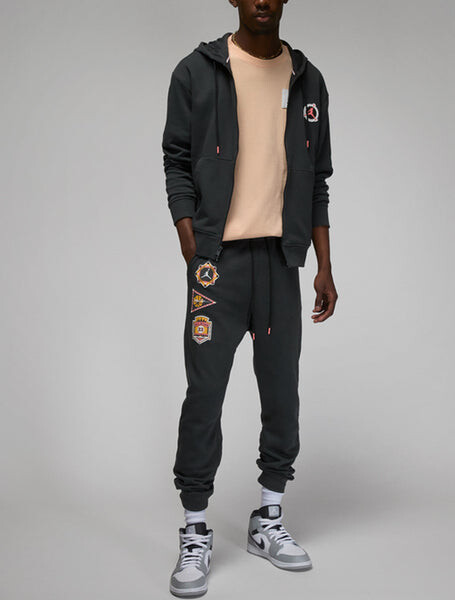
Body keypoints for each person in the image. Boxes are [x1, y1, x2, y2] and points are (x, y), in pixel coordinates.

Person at [162, 1, 337, 596]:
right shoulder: (197, 71)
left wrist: (324, 266)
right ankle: (195, 528)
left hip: (282, 262)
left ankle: (268, 517)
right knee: (205, 392)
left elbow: (318, 181)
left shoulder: (308, 80)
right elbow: (176, 159)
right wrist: (190, 237)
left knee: (281, 388)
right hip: (218, 264)